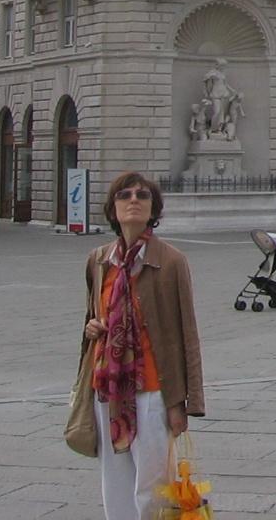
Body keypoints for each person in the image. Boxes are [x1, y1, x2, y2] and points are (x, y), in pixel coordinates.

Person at [79, 172, 204, 520]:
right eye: (125, 195)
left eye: (142, 196)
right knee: (115, 488)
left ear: (153, 209)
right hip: (108, 391)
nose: (133, 200)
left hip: (153, 390)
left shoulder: (171, 261)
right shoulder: (99, 260)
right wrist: (91, 328)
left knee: (153, 492)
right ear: (113, 208)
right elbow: (93, 317)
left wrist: (184, 403)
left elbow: (187, 335)